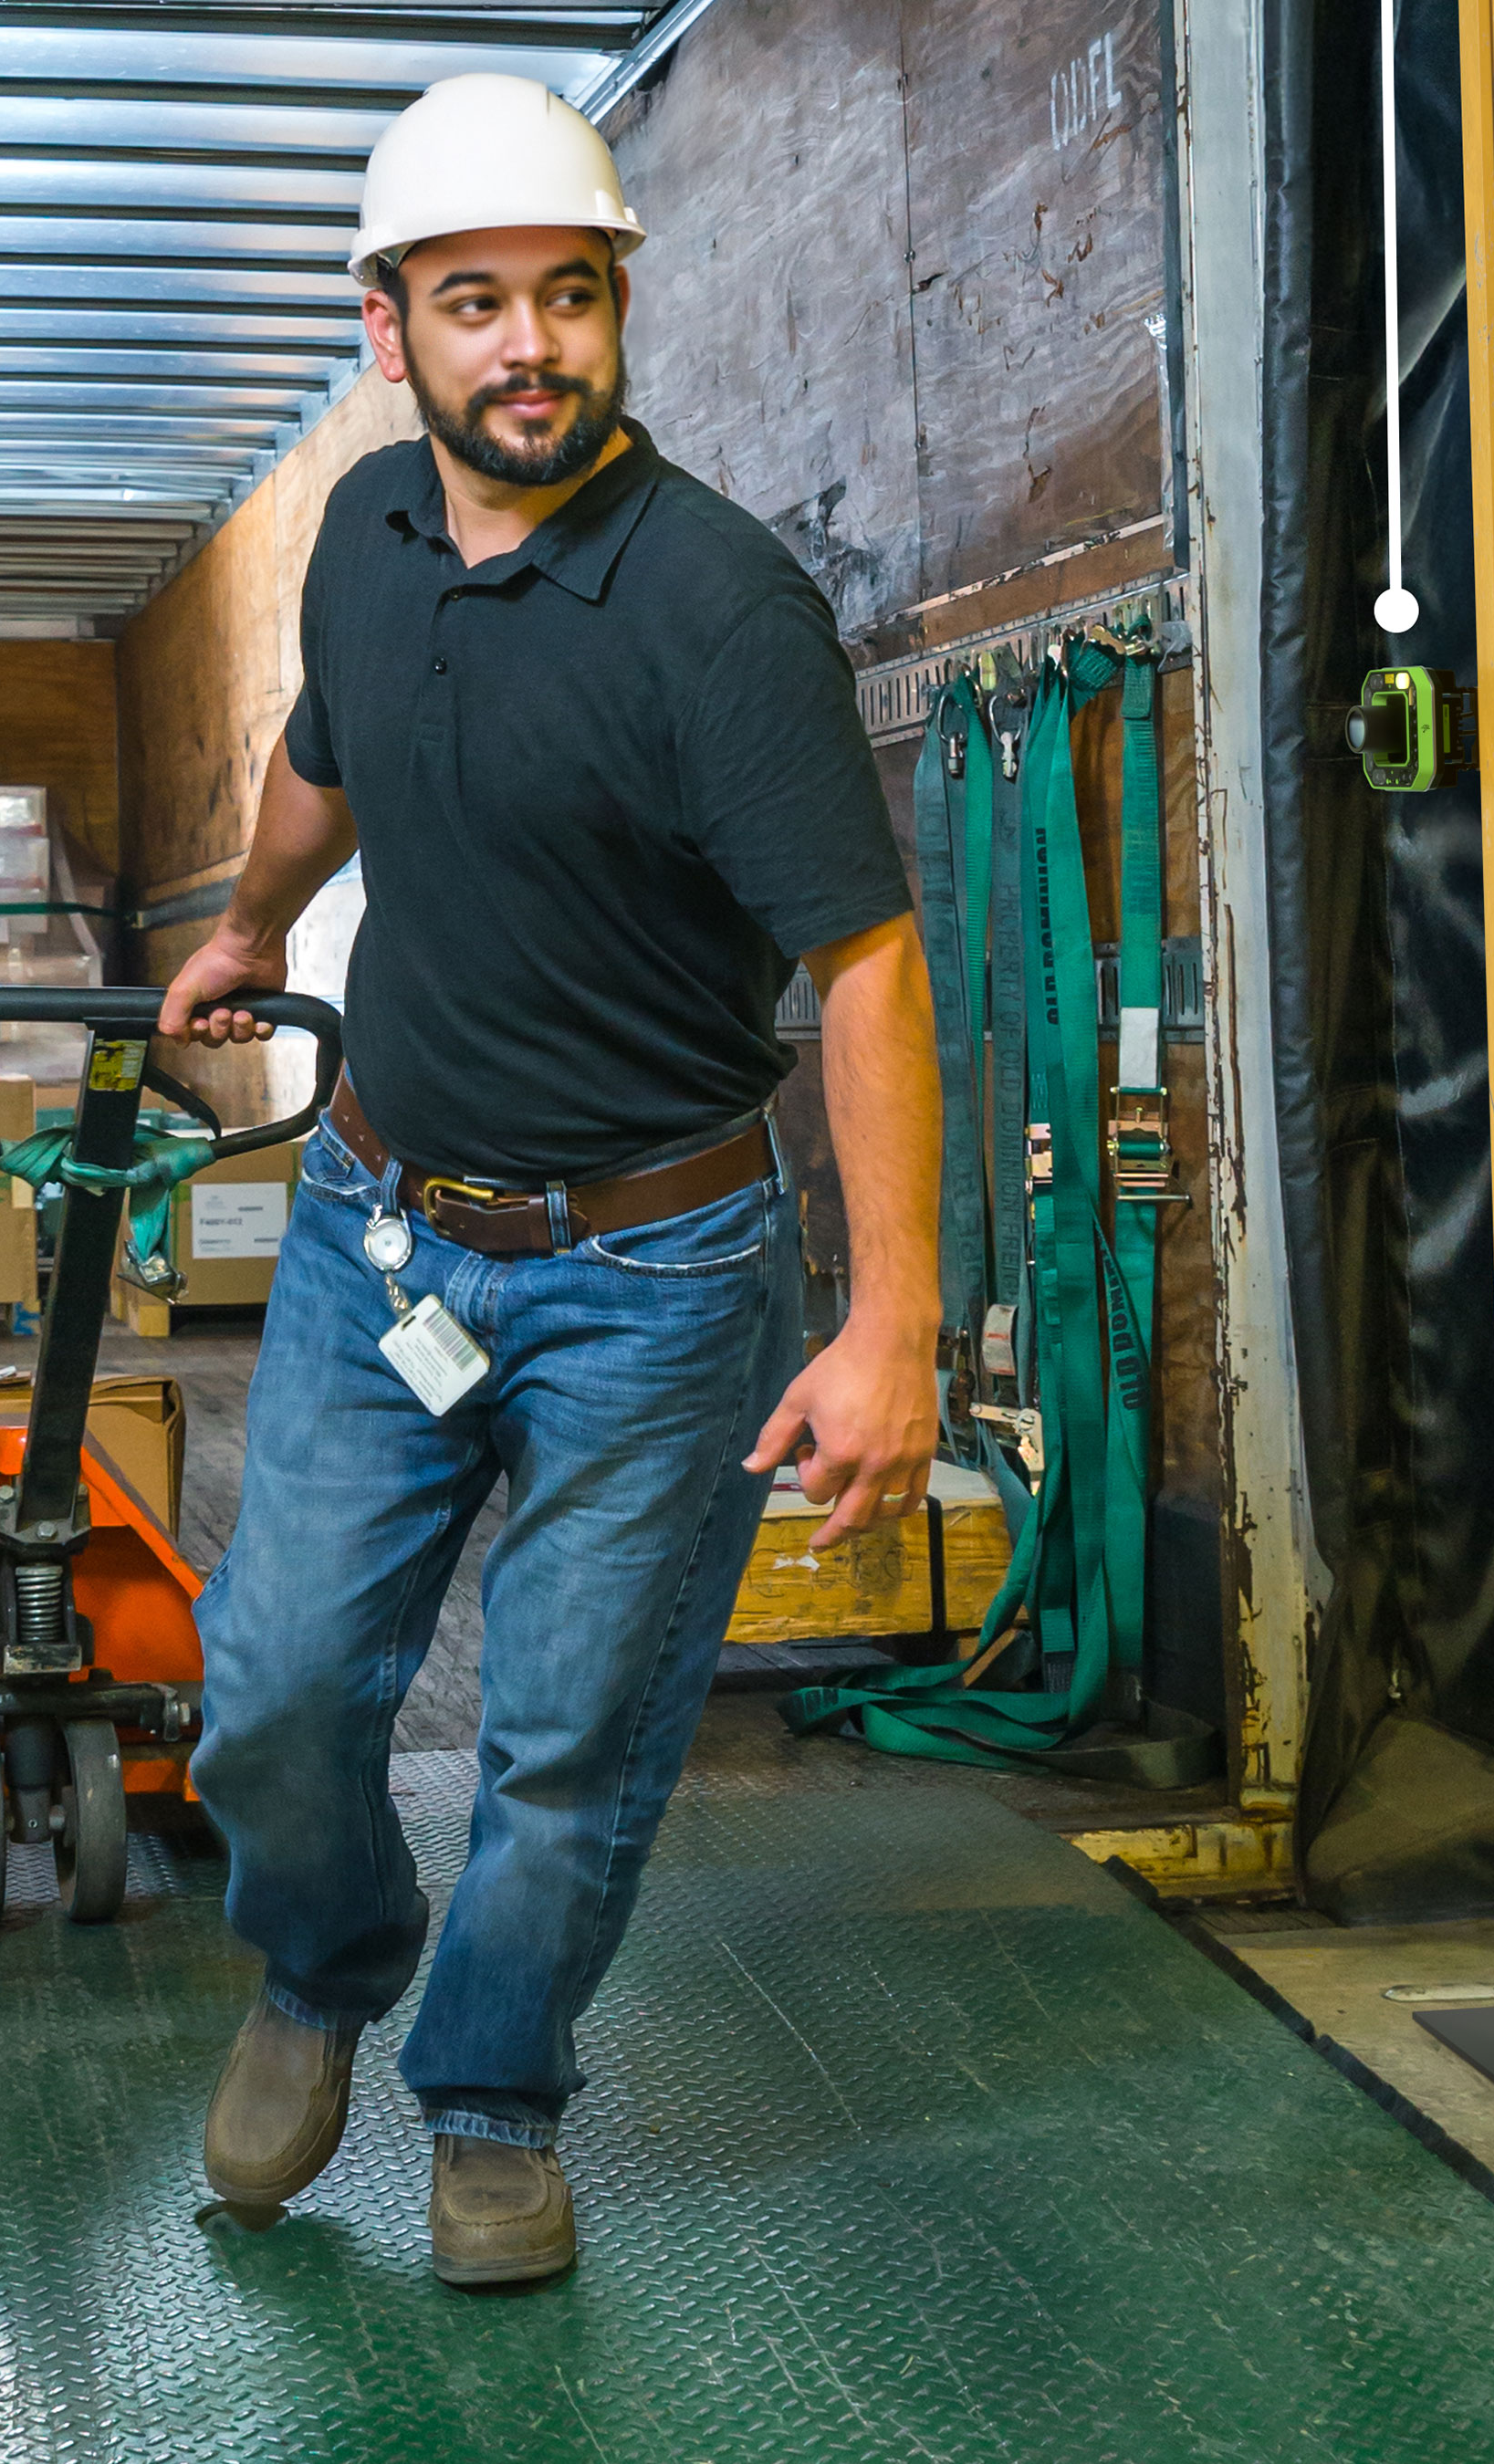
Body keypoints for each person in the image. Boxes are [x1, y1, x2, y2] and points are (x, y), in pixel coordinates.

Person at [157, 71, 942, 2289]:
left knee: (573, 1738)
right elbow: (329, 757)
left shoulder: (716, 610)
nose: (531, 346)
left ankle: (490, 2098)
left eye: (571, 298)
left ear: (617, 311)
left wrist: (890, 1324)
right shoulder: (363, 533)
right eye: (478, 301)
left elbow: (866, 970)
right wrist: (239, 924)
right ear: (389, 326)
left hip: (663, 1273)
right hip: (384, 1229)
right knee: (279, 1689)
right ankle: (321, 1969)